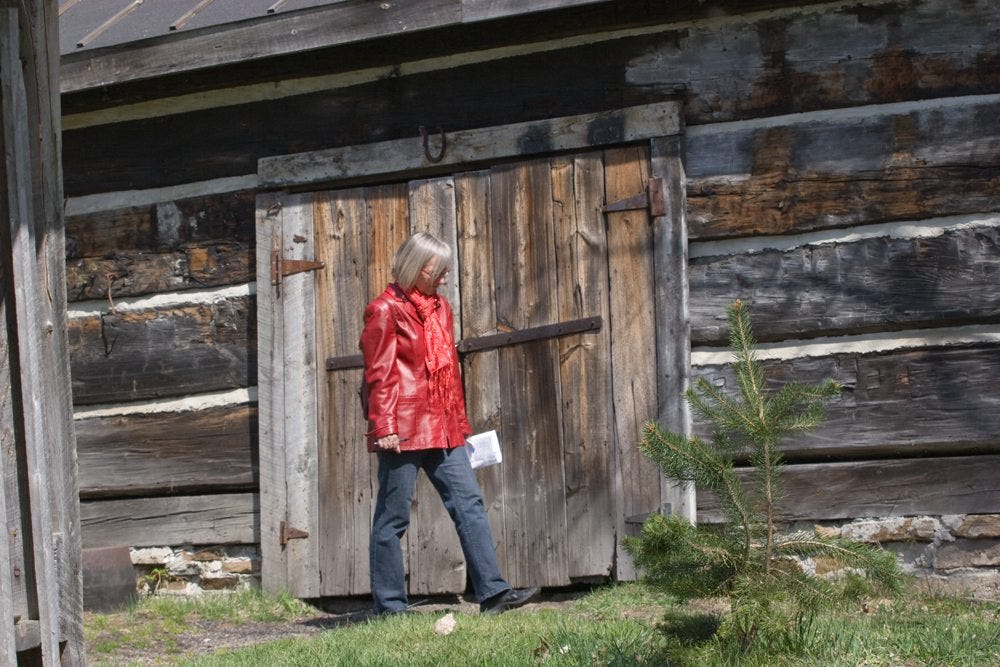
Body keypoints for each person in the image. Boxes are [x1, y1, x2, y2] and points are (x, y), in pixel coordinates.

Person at [360, 231, 539, 616]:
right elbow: (379, 374)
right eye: (436, 270)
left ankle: (492, 594)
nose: (443, 278)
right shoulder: (384, 310)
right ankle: (389, 608)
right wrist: (384, 426)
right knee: (393, 518)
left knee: (469, 504)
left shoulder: (441, 307)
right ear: (414, 267)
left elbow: (447, 373)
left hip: (442, 426)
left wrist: (458, 422)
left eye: (445, 271)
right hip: (404, 430)